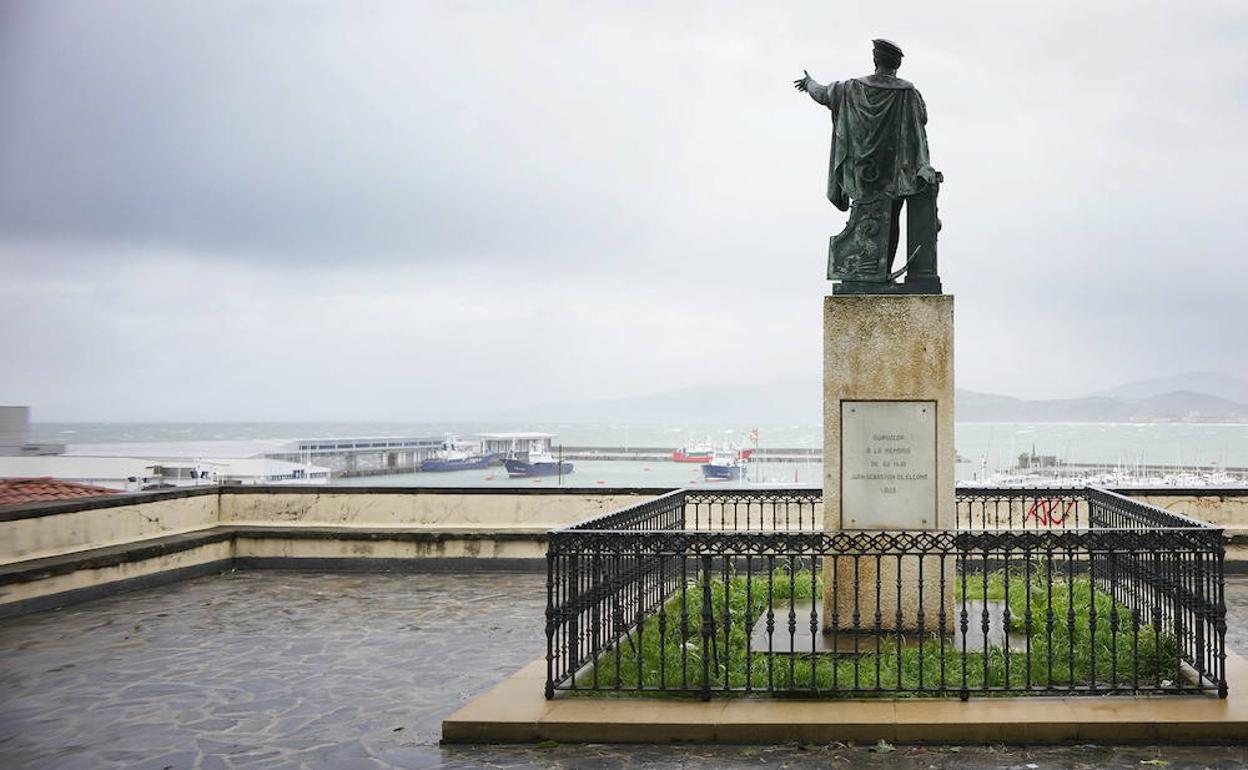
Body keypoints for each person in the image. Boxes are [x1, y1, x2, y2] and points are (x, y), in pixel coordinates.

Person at [795, 39, 940, 284]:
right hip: (895, 173)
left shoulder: (851, 88)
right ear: (897, 64)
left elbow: (821, 94)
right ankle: (880, 273)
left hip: (862, 172)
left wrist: (809, 83)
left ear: (875, 60)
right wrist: (923, 165)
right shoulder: (907, 92)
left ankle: (869, 272)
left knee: (867, 219)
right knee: (890, 220)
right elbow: (919, 126)